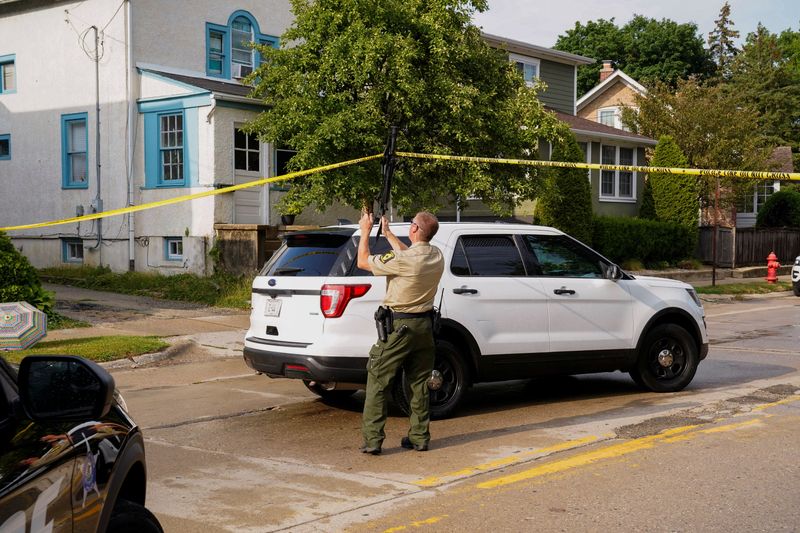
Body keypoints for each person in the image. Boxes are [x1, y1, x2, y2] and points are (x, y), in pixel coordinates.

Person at [356, 209, 444, 455]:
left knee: (378, 380)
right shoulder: (436, 255)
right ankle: (419, 437)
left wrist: (365, 231)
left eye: (412, 223)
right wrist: (389, 234)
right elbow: (411, 255)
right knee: (419, 384)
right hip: (424, 328)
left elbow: (363, 261)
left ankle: (373, 440)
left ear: (414, 229)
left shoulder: (406, 260)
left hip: (399, 329)